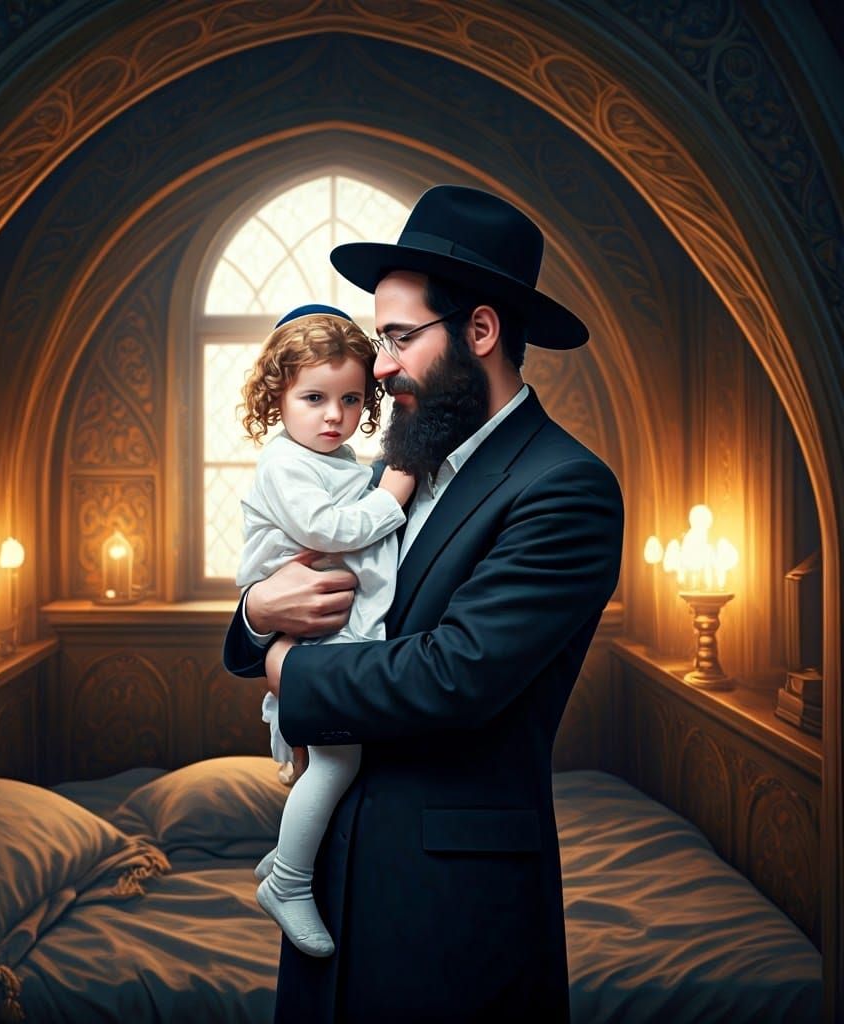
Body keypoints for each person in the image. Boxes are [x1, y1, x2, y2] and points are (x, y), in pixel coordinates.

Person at [223, 185, 625, 1023]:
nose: (380, 367)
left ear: (480, 331)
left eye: (401, 338)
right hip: (331, 885)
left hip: (450, 912)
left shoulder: (566, 489)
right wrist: (262, 611)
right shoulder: (384, 474)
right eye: (380, 341)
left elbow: (455, 674)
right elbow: (301, 582)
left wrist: (287, 668)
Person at [235, 304, 415, 959]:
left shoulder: (340, 461)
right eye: (313, 398)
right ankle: (288, 881)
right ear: (276, 399)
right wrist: (390, 497)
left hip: (337, 636)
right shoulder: (286, 463)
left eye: (349, 399)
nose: (334, 415)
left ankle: (287, 855)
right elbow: (325, 533)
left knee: (330, 762)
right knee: (338, 762)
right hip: (311, 642)